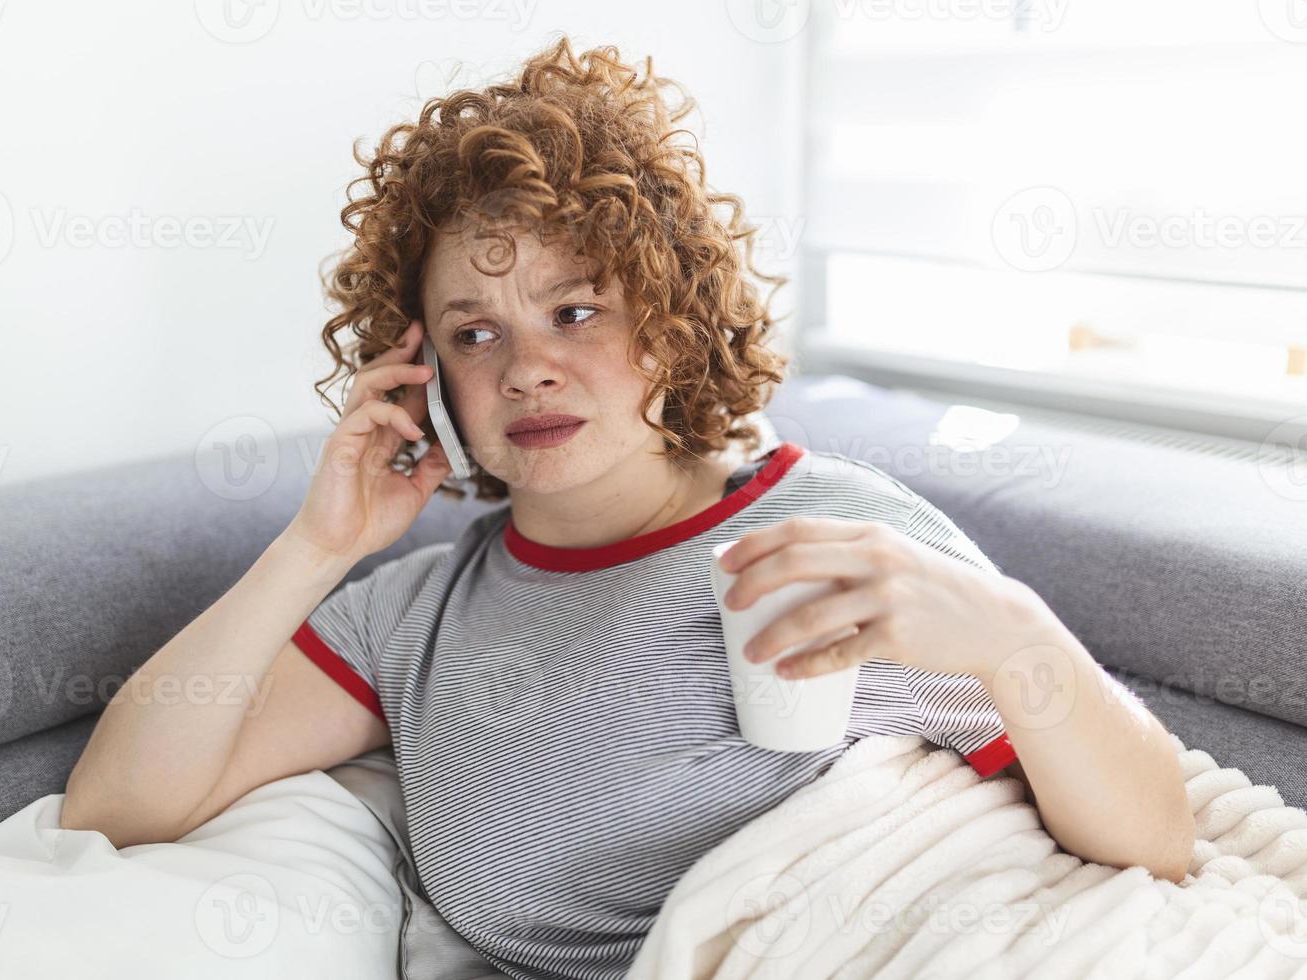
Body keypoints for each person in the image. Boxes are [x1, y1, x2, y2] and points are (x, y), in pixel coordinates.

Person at [60, 35, 1194, 980]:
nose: (528, 369)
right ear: (427, 376)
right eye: (475, 331)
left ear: (669, 322)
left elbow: (1152, 835)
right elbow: (117, 804)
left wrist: (1010, 634)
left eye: (576, 310)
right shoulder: (410, 615)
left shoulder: (839, 530)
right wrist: (316, 547)